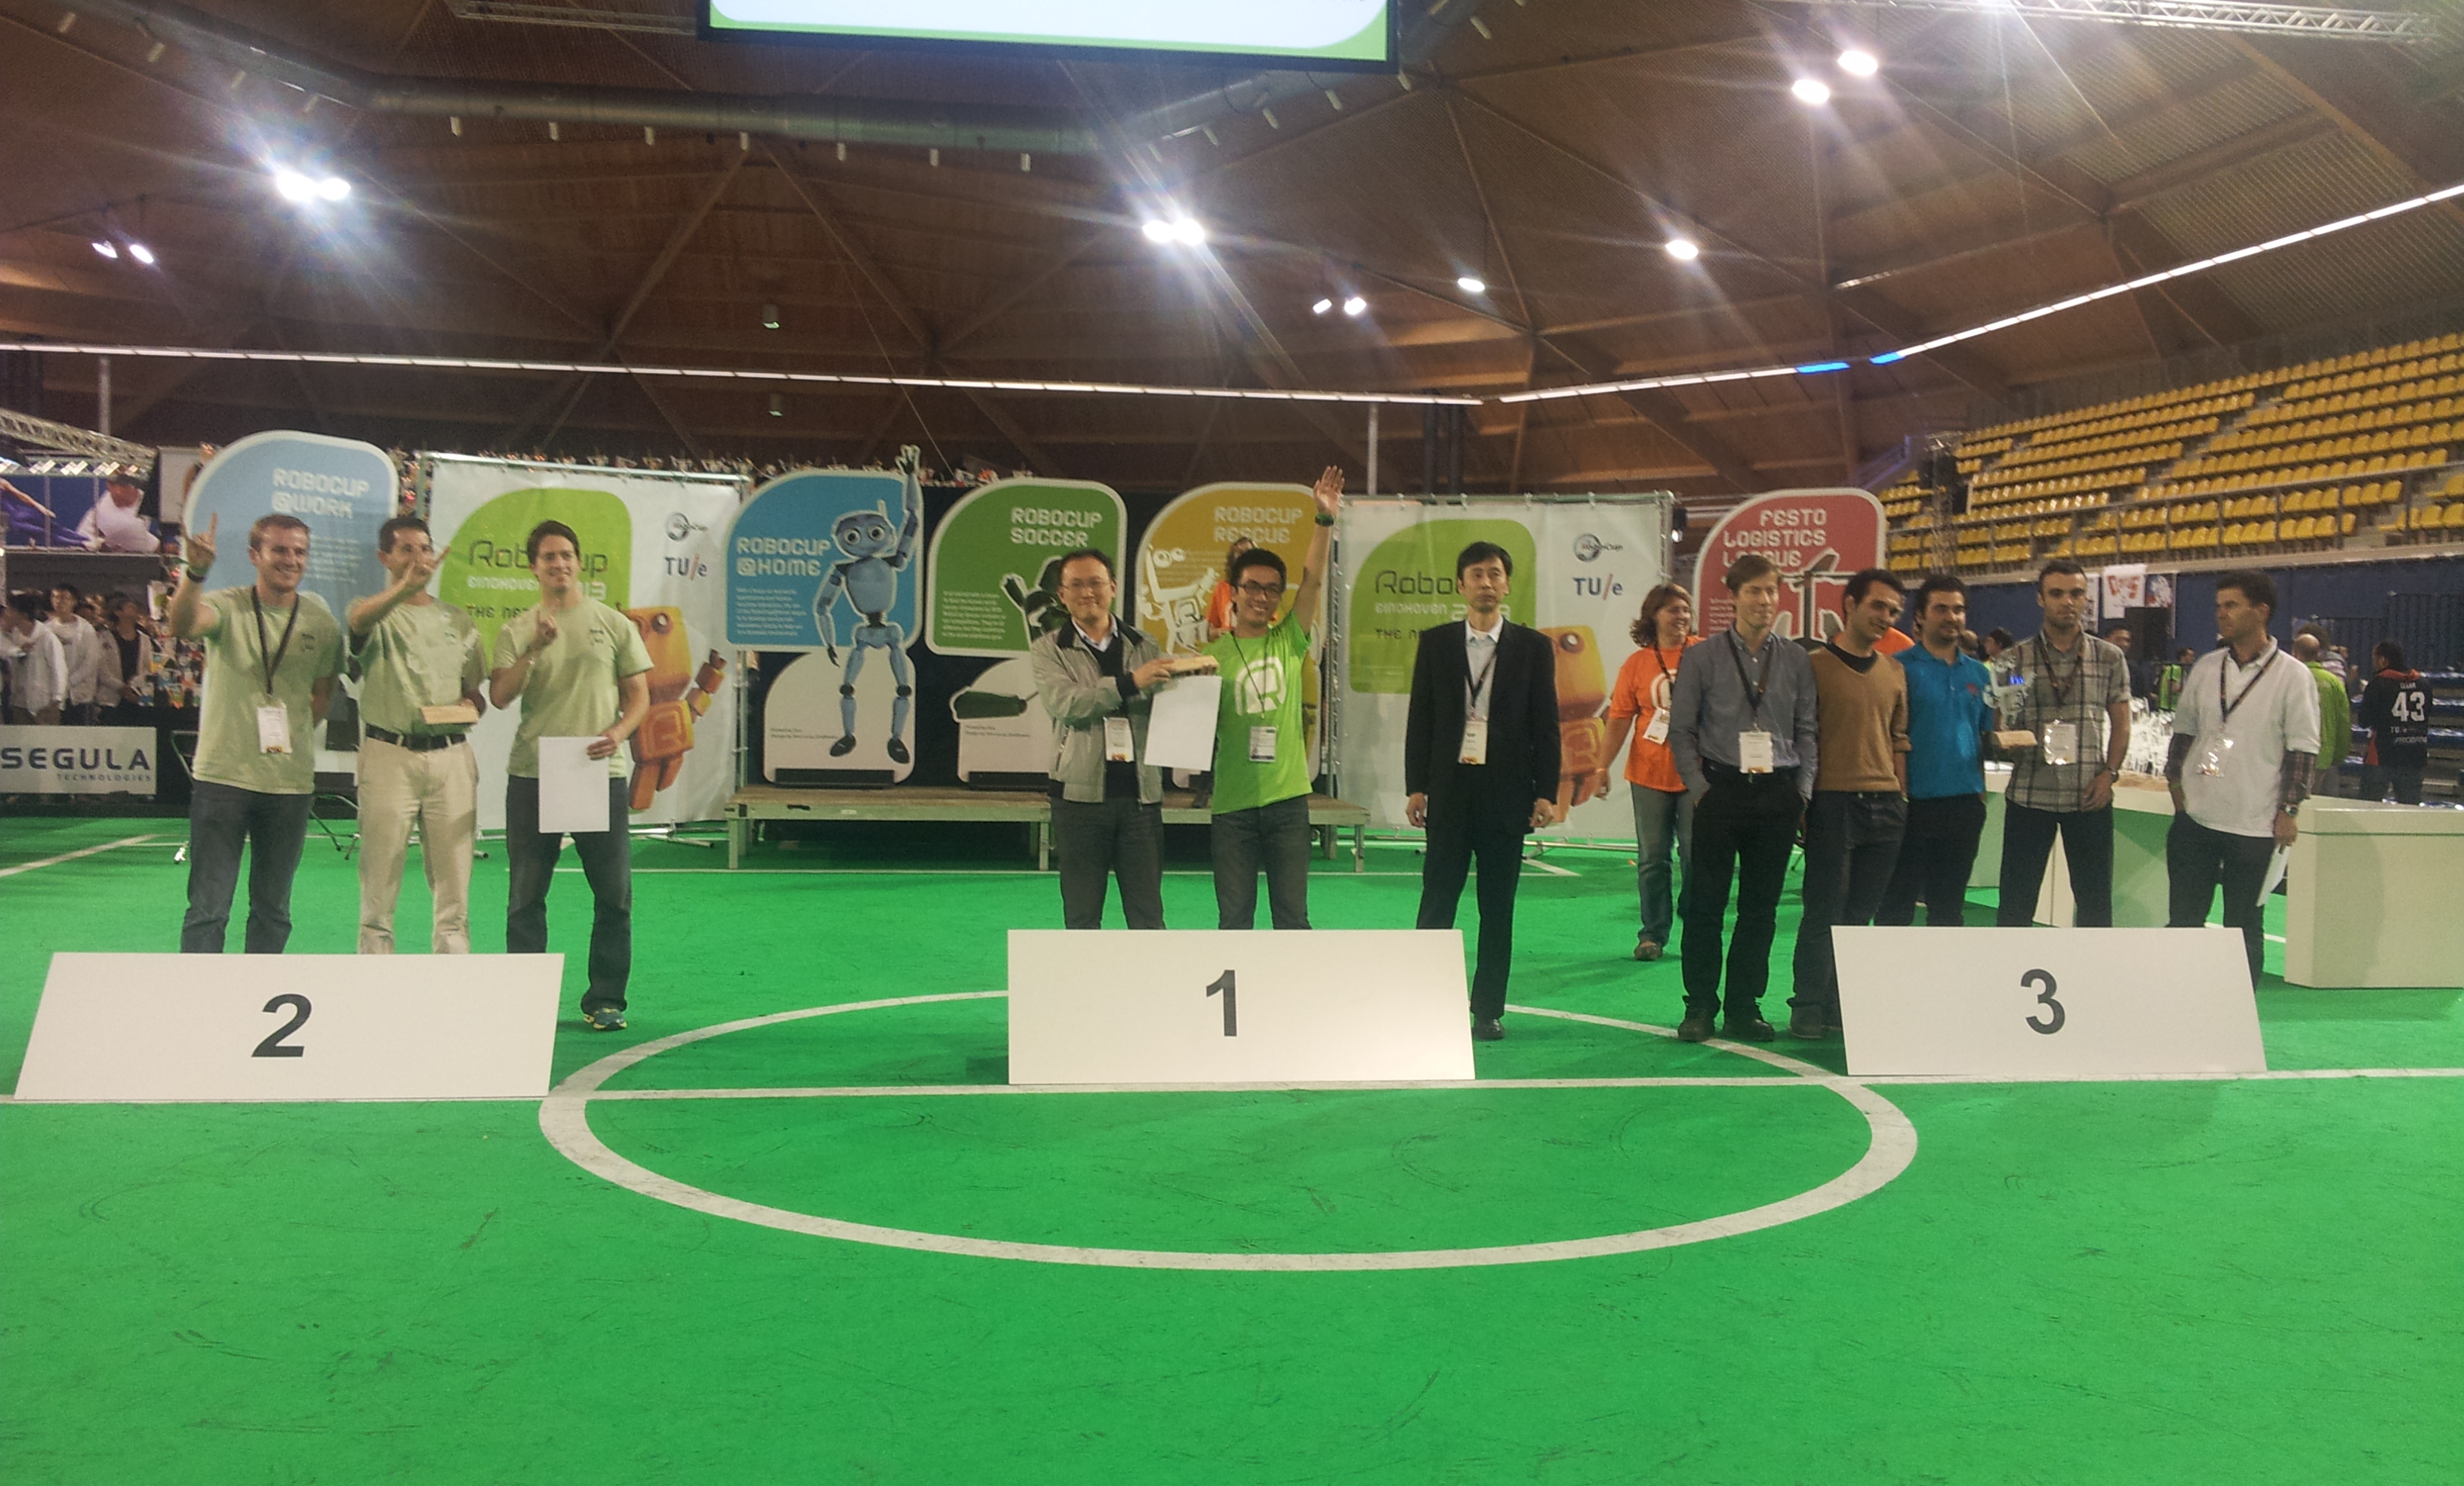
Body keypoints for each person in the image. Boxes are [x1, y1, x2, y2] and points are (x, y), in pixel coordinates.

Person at [491, 519, 652, 1029]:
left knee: (613, 894)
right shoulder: (517, 629)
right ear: (533, 567)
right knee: (525, 895)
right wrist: (535, 648)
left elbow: (639, 696)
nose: (558, 564)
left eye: (566, 555)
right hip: (533, 773)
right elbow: (500, 696)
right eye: (548, 557)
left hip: (596, 771)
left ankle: (606, 999)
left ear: (579, 563)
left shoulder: (613, 624)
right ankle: (526, 1000)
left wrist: (619, 732)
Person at [166, 513, 345, 954]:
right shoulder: (227, 605)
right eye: (279, 549)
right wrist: (196, 574)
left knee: (273, 910)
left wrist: (290, 736)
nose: (291, 560)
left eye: (299, 552)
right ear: (254, 555)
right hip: (223, 780)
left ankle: (258, 994)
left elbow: (323, 695)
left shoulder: (321, 624)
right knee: (208, 909)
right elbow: (182, 625)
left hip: (289, 785)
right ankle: (199, 995)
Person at [1404, 541, 1561, 1041]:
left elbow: (1546, 724)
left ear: (1507, 584)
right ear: (1461, 585)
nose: (1486, 583)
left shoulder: (1533, 648)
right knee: (1437, 901)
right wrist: (1416, 786)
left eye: (1495, 574)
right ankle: (1425, 1001)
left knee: (1497, 908)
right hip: (1449, 794)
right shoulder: (1436, 643)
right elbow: (1421, 719)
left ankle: (1488, 1008)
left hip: (1507, 797)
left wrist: (1546, 791)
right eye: (1477, 574)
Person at [1668, 554, 1819, 1044]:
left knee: (1761, 910)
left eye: (1771, 591)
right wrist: (1700, 788)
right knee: (1705, 905)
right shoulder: (1702, 657)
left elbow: (1807, 730)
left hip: (1778, 792)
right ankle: (1699, 1005)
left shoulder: (1795, 659)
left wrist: (1801, 792)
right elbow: (1681, 730)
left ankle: (1743, 1007)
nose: (1764, 600)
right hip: (1721, 789)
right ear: (1732, 597)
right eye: (1754, 591)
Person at [2166, 571, 2318, 989]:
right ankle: (2176, 997)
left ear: (2261, 611)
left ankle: (2241, 1007)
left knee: (2244, 922)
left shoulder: (2293, 676)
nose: (2221, 614)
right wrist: (2176, 788)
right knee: (2183, 919)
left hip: (2254, 821)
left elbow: (2303, 750)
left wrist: (2289, 810)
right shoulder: (2206, 667)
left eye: (2231, 605)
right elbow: (2183, 733)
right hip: (2197, 817)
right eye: (2219, 606)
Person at [1201, 468, 1338, 930]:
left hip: (1288, 804)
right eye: (1252, 587)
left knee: (1293, 919)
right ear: (1233, 592)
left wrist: (1324, 519)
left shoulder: (1290, 639)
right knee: (1234, 919)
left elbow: (1313, 580)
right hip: (1232, 807)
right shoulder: (1210, 657)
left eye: (1271, 588)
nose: (1261, 597)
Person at [350, 516, 487, 955]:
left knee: (454, 886)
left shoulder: (458, 620)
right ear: (384, 558)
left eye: (424, 548)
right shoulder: (373, 612)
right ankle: (376, 971)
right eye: (406, 549)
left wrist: (469, 706)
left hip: (451, 757)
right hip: (389, 755)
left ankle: (453, 973)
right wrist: (404, 589)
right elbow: (358, 623)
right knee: (379, 881)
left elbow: (476, 695)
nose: (418, 557)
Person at [1788, 570, 1911, 1041]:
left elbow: (1899, 739)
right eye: (1878, 606)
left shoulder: (1894, 672)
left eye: (1893, 611)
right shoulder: (1812, 667)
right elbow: (1799, 738)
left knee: (1860, 916)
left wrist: (1900, 794)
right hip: (1832, 803)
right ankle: (1807, 1005)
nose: (1886, 617)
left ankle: (1842, 1006)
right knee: (1824, 911)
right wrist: (1802, 803)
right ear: (1850, 604)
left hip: (1886, 807)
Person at [1030, 546, 1176, 930]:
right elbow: (1069, 705)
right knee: (1082, 917)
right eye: (1076, 585)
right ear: (1062, 595)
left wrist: (1192, 684)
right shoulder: (1048, 649)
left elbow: (1164, 708)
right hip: (1078, 801)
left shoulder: (1145, 645)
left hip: (1141, 800)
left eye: (1095, 583)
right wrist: (1131, 682)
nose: (1087, 592)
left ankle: (1148, 974)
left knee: (1148, 917)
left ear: (1112, 587)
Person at [1994, 562, 2131, 928]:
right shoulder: (2014, 659)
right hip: (2029, 793)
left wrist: (2110, 774)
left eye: (2076, 593)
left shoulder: (2109, 657)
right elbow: (2003, 722)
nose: (2067, 602)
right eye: (2057, 593)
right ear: (2041, 598)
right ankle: (2008, 964)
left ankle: (2092, 966)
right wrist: (2007, 740)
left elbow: (2122, 722)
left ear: (2086, 599)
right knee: (2015, 905)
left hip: (2088, 795)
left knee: (2095, 905)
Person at [1880, 574, 1994, 928]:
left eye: (1958, 610)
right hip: (1911, 805)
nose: (1951, 617)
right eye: (1941, 609)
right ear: (1920, 616)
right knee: (1896, 907)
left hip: (1964, 805)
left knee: (1949, 911)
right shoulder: (1897, 668)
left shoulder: (1980, 674)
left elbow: (1986, 734)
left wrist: (1980, 791)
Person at [1597, 582, 1699, 961]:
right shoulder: (1636, 664)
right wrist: (1601, 765)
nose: (1681, 616)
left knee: (1696, 856)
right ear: (1653, 616)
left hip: (1697, 776)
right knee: (1653, 858)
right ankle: (1652, 934)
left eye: (1685, 609)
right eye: (1672, 609)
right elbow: (1620, 719)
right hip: (1648, 776)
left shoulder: (1706, 654)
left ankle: (1696, 927)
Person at [2355, 641, 2431, 804]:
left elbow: (2364, 720)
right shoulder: (2423, 684)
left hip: (2383, 753)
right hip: (2415, 753)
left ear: (2383, 660)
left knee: (2368, 806)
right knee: (2411, 808)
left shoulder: (2379, 683)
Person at [2290, 632, 2351, 797]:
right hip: (2324, 755)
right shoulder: (2333, 682)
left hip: (2293, 754)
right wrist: (2339, 755)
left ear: (2295, 653)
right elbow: (2344, 721)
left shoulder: (2290, 679)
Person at [2, 592, 69, 723]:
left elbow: (59, 669)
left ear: (23, 615)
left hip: (44, 704)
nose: (6, 614)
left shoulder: (46, 637)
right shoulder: (13, 636)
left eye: (10, 611)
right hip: (19, 703)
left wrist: (57, 698)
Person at [95, 593, 156, 726]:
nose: (134, 610)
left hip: (136, 697)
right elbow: (102, 669)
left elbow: (148, 667)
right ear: (118, 612)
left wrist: (135, 686)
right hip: (111, 699)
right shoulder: (105, 638)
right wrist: (121, 687)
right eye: (130, 607)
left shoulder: (144, 639)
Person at [48, 584, 106, 726]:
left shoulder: (86, 629)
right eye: (55, 597)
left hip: (79, 696)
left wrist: (70, 681)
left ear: (73, 602)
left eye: (64, 598)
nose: (59, 602)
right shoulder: (47, 629)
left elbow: (91, 661)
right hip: (52, 696)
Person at [77, 473, 160, 553]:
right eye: (113, 484)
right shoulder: (117, 522)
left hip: (120, 553)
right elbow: (159, 549)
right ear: (108, 485)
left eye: (124, 486)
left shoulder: (143, 494)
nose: (117, 491)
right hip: (87, 557)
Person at [2156, 646, 2196, 712]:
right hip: (2170, 707)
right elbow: (2173, 689)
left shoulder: (2176, 669)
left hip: (2170, 706)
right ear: (2183, 657)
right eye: (2191, 656)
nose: (2193, 658)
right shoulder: (2176, 669)